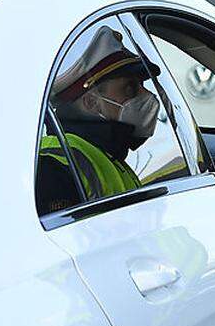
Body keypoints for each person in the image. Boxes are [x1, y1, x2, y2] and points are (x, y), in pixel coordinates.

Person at [36, 27, 162, 214]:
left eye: (142, 85)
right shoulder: (55, 165)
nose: (147, 95)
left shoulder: (109, 156)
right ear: (92, 102)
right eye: (129, 88)